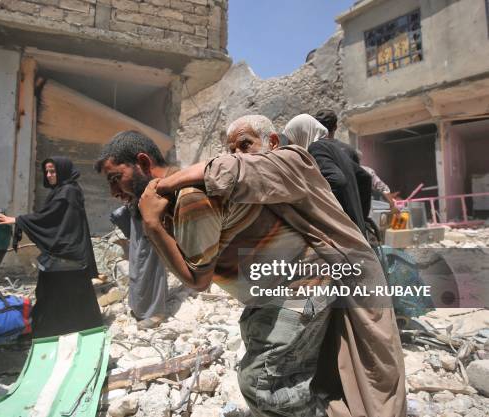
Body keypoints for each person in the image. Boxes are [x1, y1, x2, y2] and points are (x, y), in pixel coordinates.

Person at [96, 121, 405, 417]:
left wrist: (152, 226)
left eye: (115, 178)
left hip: (300, 287)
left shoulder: (190, 199)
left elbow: (197, 280)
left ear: (143, 162)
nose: (113, 192)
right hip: (277, 291)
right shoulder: (182, 193)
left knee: (260, 384)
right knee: (283, 372)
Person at [0, 157, 102, 338]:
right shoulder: (64, 190)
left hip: (66, 255)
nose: (49, 175)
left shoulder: (67, 191)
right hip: (66, 254)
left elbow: (50, 218)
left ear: (62, 170)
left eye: (53, 171)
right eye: (47, 172)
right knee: (64, 296)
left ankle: (56, 331)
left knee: (58, 295)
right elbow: (51, 218)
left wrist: (18, 220)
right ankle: (69, 329)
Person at [283, 114, 372, 237]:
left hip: (340, 235)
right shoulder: (335, 148)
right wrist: (361, 217)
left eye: (291, 139)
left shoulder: (315, 148)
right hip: (356, 232)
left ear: (301, 134)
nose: (290, 145)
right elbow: (365, 178)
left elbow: (337, 181)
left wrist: (312, 203)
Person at [110, 204, 169, 329]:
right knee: (139, 258)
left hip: (148, 209)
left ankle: (155, 311)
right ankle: (140, 305)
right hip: (137, 208)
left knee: (149, 260)